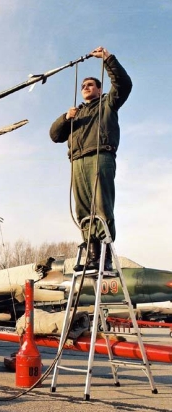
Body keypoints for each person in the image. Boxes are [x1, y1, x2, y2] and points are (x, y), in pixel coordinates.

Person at [49, 46, 132, 270]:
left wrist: (107, 59)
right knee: (83, 209)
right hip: (77, 161)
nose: (86, 88)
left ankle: (103, 255)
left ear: (99, 88)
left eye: (90, 85)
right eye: (83, 86)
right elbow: (55, 135)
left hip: (100, 155)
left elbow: (124, 85)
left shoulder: (108, 103)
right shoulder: (76, 113)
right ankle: (91, 254)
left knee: (101, 205)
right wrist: (66, 117)